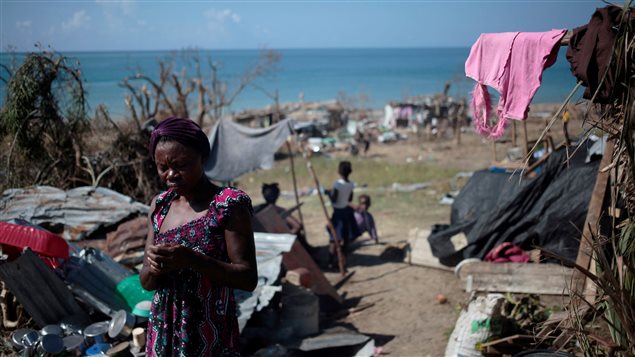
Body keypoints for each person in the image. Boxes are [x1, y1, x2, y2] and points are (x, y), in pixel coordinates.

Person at [140, 117, 257, 357]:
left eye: (181, 165)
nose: (171, 175)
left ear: (202, 158)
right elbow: (147, 282)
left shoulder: (228, 205)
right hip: (164, 332)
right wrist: (155, 267)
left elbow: (248, 278)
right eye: (163, 168)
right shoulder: (160, 206)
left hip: (210, 333)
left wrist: (191, 259)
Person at [253, 182, 314, 253]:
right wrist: (285, 240)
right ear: (277, 195)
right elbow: (297, 226)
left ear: (263, 195)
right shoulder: (277, 210)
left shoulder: (256, 210)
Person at [325, 161, 360, 269]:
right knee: (345, 237)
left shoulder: (337, 184)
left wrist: (328, 194)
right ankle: (343, 259)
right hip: (347, 211)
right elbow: (350, 198)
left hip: (338, 213)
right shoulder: (351, 184)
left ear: (339, 171)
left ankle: (330, 262)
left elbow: (334, 199)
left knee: (333, 238)